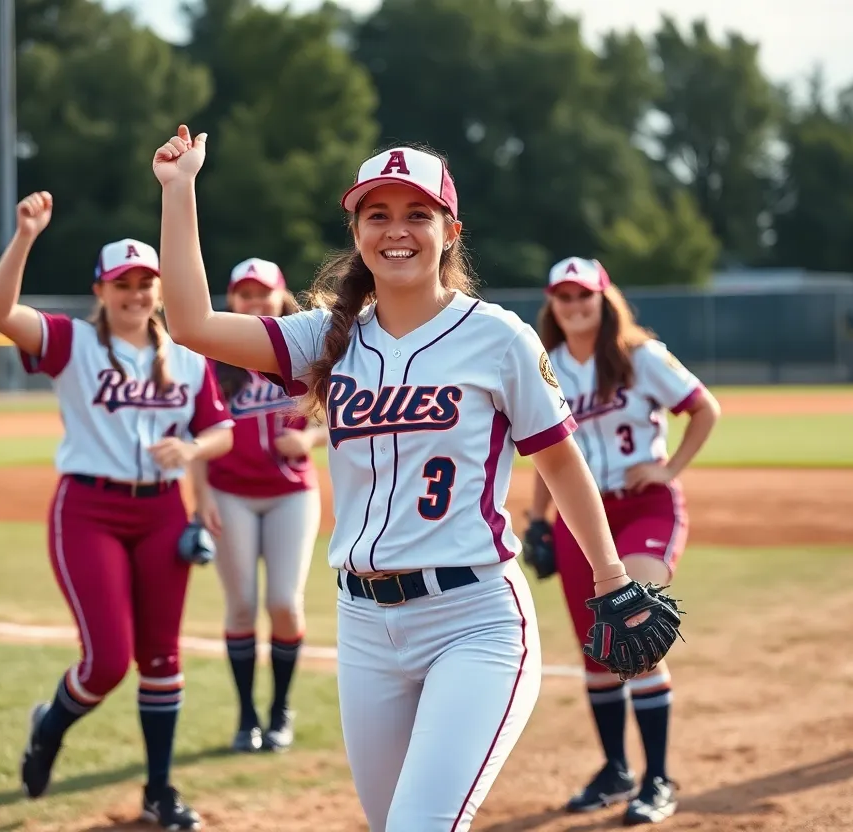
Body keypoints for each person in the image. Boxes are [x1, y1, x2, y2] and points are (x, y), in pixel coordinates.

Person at [147, 124, 678, 832]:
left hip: (474, 619)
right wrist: (180, 192)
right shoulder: (325, 338)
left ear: (450, 229)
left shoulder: (498, 337)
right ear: (357, 229)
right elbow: (187, 324)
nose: (397, 231)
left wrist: (611, 577)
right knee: (391, 822)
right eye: (378, 214)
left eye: (417, 214)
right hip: (365, 626)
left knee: (420, 825)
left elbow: (559, 460)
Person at [0, 191, 236, 831]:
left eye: (146, 283)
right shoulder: (70, 342)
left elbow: (223, 430)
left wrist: (194, 446)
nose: (136, 294)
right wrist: (25, 238)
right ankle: (51, 725)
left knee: (162, 658)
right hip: (89, 509)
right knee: (106, 661)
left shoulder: (187, 353)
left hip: (160, 514)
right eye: (123, 284)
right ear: (101, 289)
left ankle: (158, 792)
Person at [522, 257, 720, 825]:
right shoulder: (546, 366)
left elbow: (705, 408)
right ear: (552, 306)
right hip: (581, 519)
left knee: (636, 627)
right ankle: (616, 770)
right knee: (597, 650)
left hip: (643, 506)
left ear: (604, 301)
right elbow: (547, 455)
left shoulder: (640, 357)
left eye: (583, 295)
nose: (574, 305)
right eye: (563, 296)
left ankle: (657, 778)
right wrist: (538, 520)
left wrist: (671, 468)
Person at [190, 256, 327, 754]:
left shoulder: (305, 346)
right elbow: (198, 432)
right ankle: (247, 714)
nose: (253, 301)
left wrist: (311, 438)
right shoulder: (212, 355)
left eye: (261, 292)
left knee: (284, 604)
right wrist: (200, 498)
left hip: (291, 490)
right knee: (243, 604)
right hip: (230, 492)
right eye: (244, 293)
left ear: (280, 295)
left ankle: (280, 710)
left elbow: (349, 409)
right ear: (232, 300)